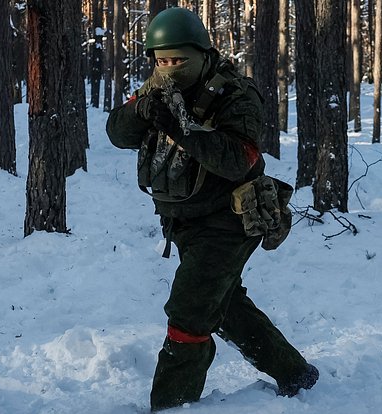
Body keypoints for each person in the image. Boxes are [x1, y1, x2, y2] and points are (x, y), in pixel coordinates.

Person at [106, 7, 318, 412]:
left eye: (177, 61)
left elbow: (239, 158)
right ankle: (295, 374)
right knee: (223, 305)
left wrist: (181, 128)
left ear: (202, 54)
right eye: (161, 60)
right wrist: (139, 112)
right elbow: (118, 134)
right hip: (186, 221)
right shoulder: (157, 88)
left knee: (189, 313)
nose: (168, 68)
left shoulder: (236, 94)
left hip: (231, 220)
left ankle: (171, 404)